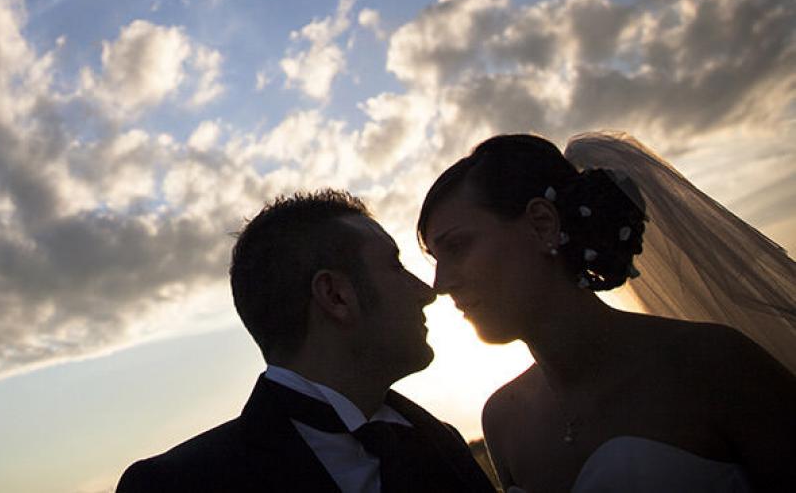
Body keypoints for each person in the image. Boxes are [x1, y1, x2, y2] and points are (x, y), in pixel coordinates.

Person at [418, 133, 796, 493]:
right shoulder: (501, 419)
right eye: (436, 259)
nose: (440, 284)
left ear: (542, 224)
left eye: (457, 247)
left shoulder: (713, 364)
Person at [118, 190, 494, 492]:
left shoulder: (441, 444)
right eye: (395, 266)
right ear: (336, 296)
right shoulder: (175, 485)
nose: (426, 292)